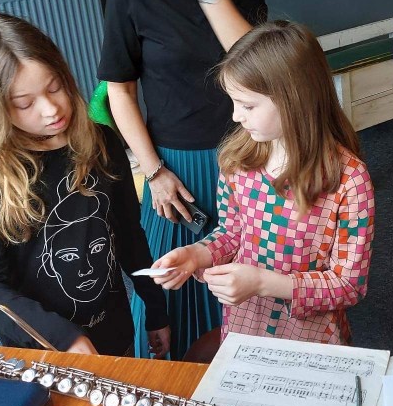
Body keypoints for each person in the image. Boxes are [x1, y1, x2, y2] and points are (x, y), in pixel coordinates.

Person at [98, 0, 267, 359]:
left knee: (250, 289)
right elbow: (120, 92)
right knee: (170, 294)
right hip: (176, 170)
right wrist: (154, 171)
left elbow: (257, 68)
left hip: (249, 154)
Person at [0, 13, 170, 356]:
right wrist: (64, 337)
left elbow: (129, 235)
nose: (51, 109)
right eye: (24, 103)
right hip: (39, 348)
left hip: (114, 329)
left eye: (54, 87)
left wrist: (156, 309)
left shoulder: (102, 142)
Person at [152, 21, 373, 345]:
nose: (235, 116)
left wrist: (262, 283)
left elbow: (349, 285)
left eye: (248, 105)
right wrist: (197, 254)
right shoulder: (237, 161)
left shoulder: (349, 180)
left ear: (294, 100)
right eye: (234, 102)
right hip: (245, 326)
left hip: (312, 338)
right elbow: (233, 233)